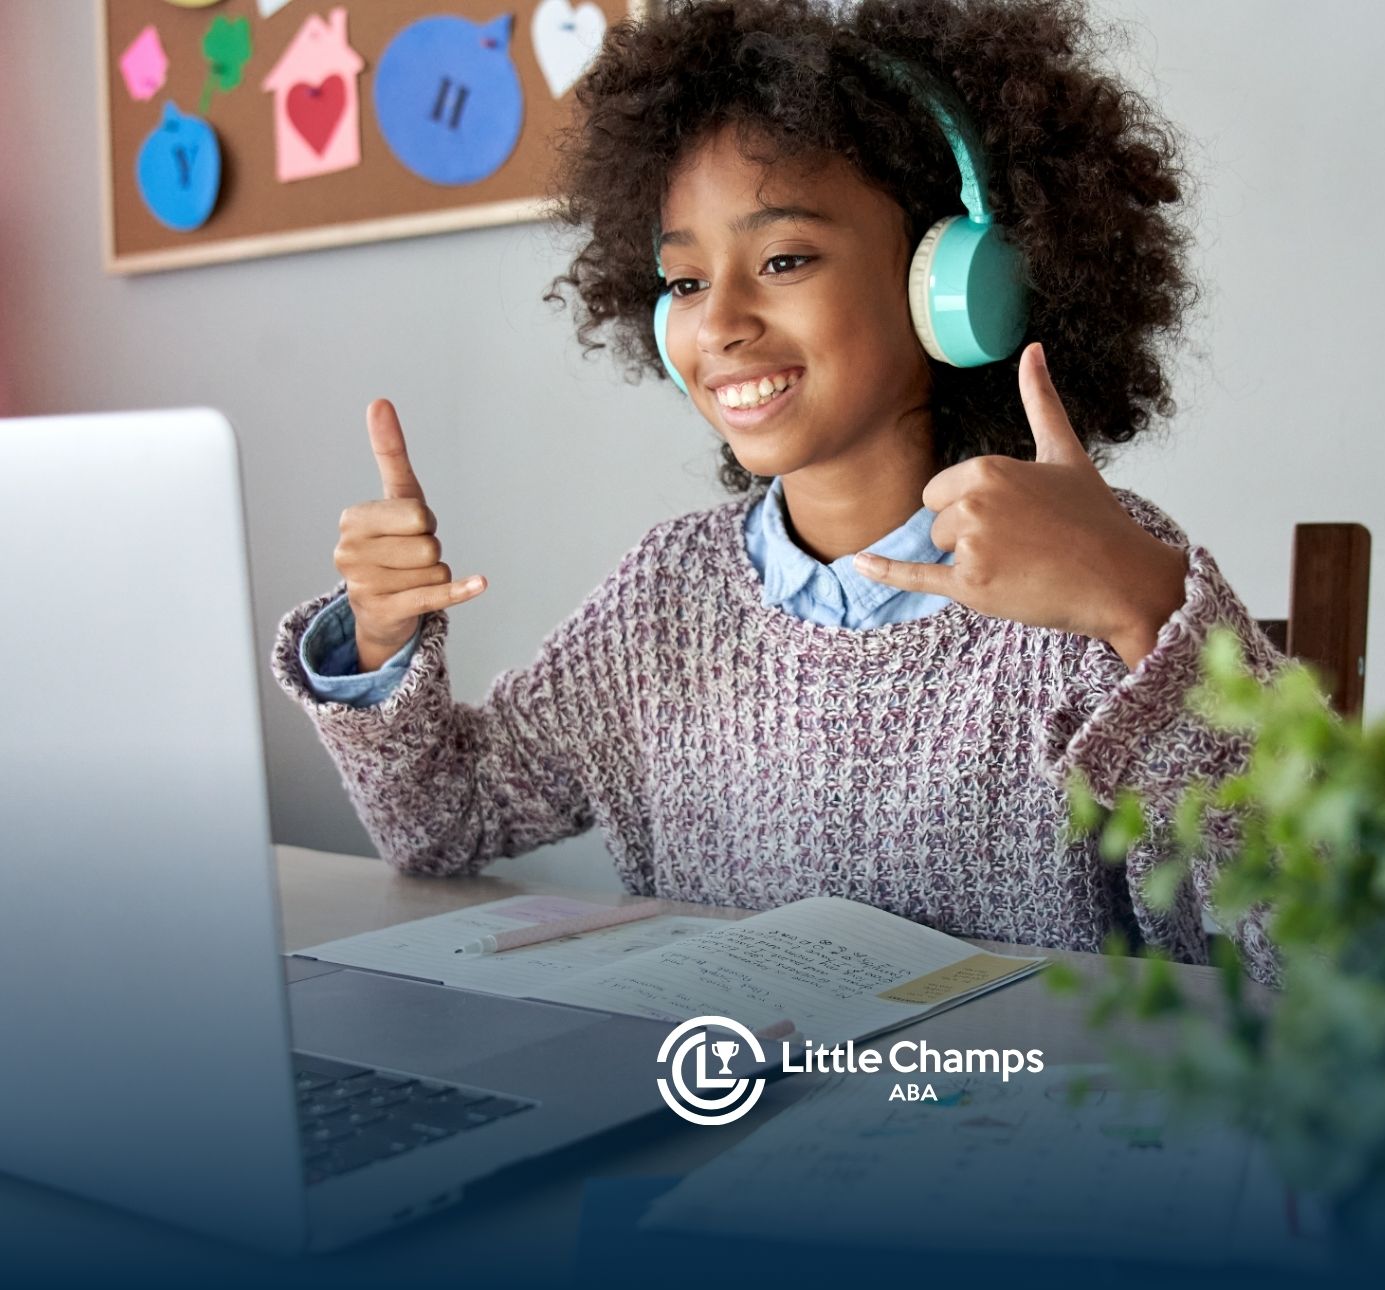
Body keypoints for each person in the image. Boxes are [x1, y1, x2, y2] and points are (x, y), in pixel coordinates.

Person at [271, 0, 1289, 985]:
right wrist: (378, 638)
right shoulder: (664, 599)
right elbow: (440, 825)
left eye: (783, 259)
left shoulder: (1093, 574)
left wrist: (1144, 607)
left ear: (952, 285)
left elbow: (1315, 941)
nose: (718, 323)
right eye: (683, 282)